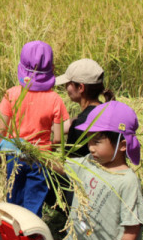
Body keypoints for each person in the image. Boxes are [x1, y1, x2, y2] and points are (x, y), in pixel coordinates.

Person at [54, 101, 143, 240]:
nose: (91, 147)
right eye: (89, 140)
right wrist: (38, 158)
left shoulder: (127, 181)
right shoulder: (89, 162)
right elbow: (64, 167)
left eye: (97, 142)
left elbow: (132, 226)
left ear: (122, 145)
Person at [0, 40, 70, 217]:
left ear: (21, 67)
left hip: (14, 155)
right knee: (33, 205)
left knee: (14, 201)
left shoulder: (11, 94)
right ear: (52, 68)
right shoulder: (55, 99)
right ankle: (32, 238)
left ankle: (15, 238)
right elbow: (57, 138)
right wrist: (52, 153)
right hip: (40, 160)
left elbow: (1, 130)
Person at [45, 58, 115, 210]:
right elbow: (69, 124)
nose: (65, 88)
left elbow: (68, 169)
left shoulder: (80, 125)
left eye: (68, 84)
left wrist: (41, 159)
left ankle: (71, 214)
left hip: (88, 189)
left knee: (42, 175)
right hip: (108, 182)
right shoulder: (107, 110)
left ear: (80, 87)